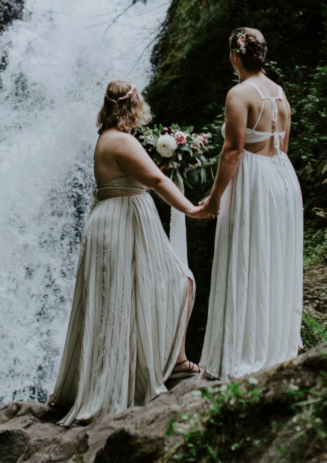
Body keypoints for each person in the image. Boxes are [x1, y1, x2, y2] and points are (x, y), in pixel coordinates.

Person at [49, 80, 208, 425]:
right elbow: (156, 182)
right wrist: (193, 210)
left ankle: (164, 365)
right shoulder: (121, 140)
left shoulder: (111, 138)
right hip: (119, 225)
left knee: (123, 300)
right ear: (132, 107)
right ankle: (172, 365)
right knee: (178, 282)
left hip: (117, 221)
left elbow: (140, 176)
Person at [198, 27, 304, 379]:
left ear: (234, 57)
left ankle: (242, 353)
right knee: (273, 258)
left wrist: (215, 199)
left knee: (247, 257)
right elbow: (283, 146)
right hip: (282, 178)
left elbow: (233, 150)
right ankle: (274, 347)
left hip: (255, 180)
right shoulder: (280, 93)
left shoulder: (239, 94)